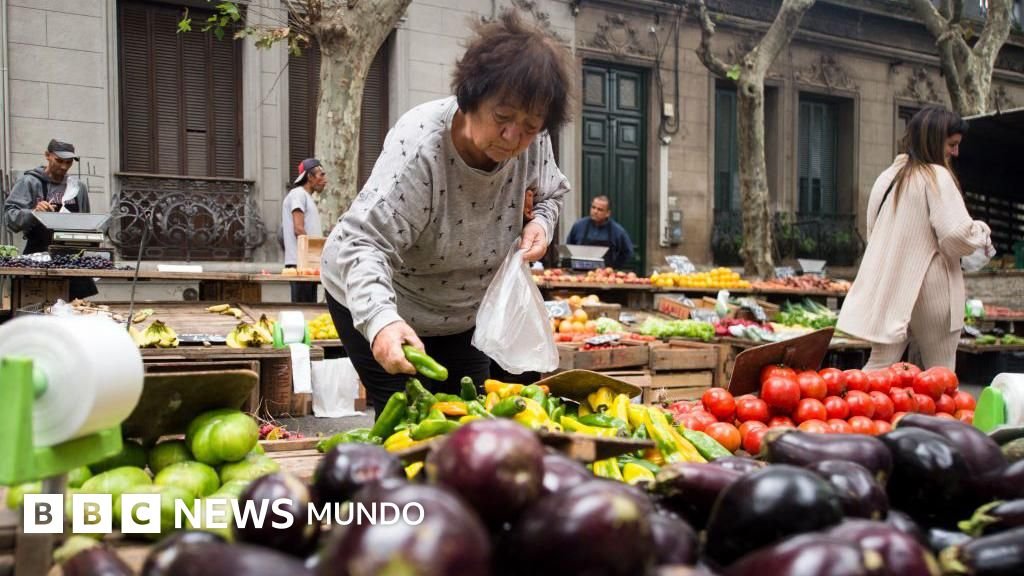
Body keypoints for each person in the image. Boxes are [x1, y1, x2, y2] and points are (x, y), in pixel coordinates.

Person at [319, 11, 573, 413]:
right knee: (407, 421)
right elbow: (364, 244)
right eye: (502, 117)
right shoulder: (420, 150)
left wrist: (541, 222)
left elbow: (551, 193)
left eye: (529, 126)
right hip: (385, 298)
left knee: (470, 418)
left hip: (461, 313)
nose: (512, 137)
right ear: (470, 97)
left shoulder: (533, 143)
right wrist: (382, 321)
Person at [837, 107, 992, 370]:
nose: (955, 152)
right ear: (933, 140)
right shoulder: (937, 176)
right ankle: (938, 414)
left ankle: (853, 409)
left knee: (879, 365)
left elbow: (874, 231)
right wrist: (980, 231)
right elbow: (955, 237)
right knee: (940, 370)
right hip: (934, 285)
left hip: (893, 284)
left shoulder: (887, 178)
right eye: (952, 144)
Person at [4, 139, 97, 299]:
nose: (63, 167)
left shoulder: (78, 187)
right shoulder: (30, 182)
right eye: (59, 160)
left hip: (72, 258)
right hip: (38, 255)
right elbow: (10, 218)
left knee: (72, 312)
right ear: (47, 155)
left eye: (68, 162)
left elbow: (85, 222)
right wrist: (33, 212)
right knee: (36, 306)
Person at [282, 158, 326, 303]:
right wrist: (311, 257)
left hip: (307, 264)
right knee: (302, 311)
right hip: (300, 265)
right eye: (321, 175)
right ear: (309, 176)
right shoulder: (298, 194)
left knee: (308, 309)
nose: (325, 180)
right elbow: (298, 229)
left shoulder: (306, 197)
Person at [566, 195, 635, 269]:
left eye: (600, 209)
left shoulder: (617, 231)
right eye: (593, 207)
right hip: (579, 274)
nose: (595, 211)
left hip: (605, 277)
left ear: (608, 213)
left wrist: (615, 267)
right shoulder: (578, 226)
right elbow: (569, 247)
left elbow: (628, 252)